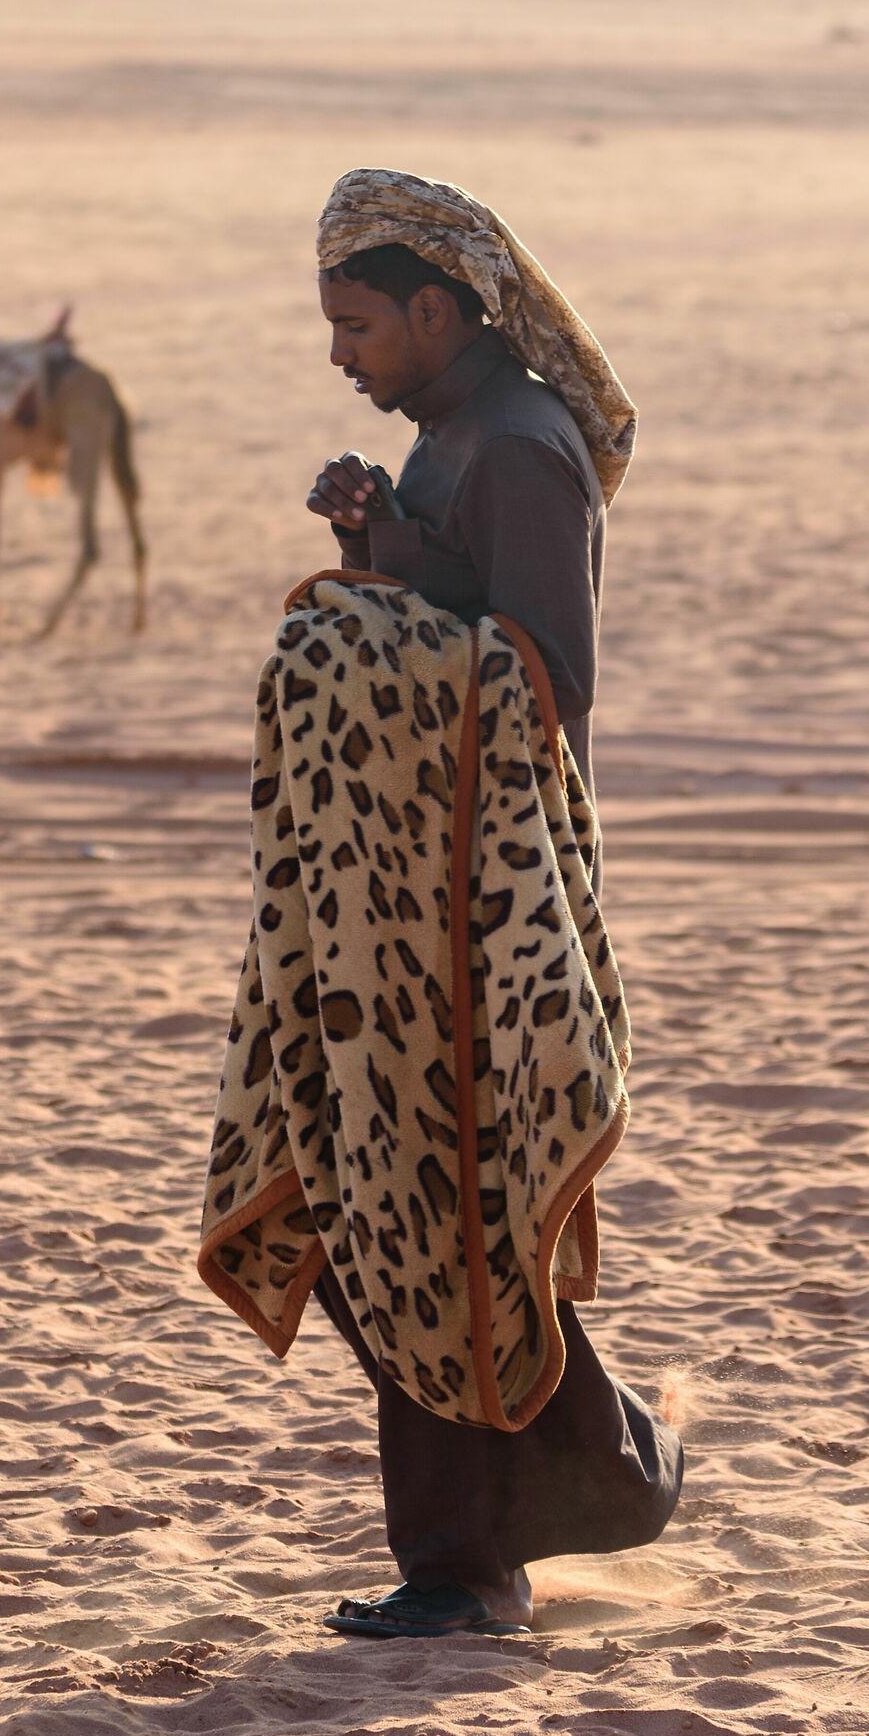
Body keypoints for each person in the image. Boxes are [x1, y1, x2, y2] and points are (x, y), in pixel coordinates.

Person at [299, 167, 681, 1640]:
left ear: (438, 312)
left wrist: (379, 572)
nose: (341, 353)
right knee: (391, 1207)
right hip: (416, 884)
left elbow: (541, 681)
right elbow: (443, 613)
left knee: (430, 1210)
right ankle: (595, 1477)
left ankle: (474, 1564)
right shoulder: (455, 436)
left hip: (485, 897)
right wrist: (374, 541)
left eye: (358, 325)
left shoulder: (517, 450)